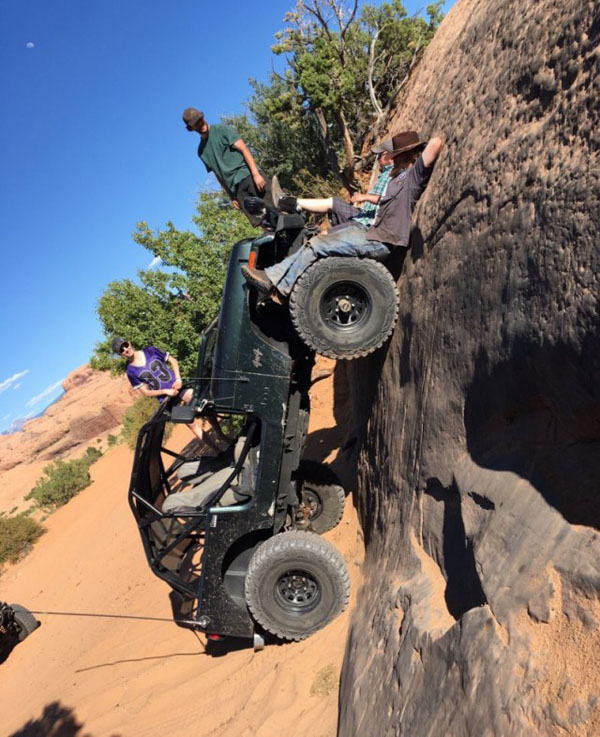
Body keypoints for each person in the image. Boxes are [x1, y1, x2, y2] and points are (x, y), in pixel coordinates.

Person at [242, 131, 444, 300]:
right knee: (316, 241)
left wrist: (412, 150)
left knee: (319, 245)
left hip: (382, 241)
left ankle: (276, 284)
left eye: (397, 155)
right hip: (371, 233)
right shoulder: (395, 179)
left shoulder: (412, 177)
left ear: (407, 155)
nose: (394, 158)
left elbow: (436, 144)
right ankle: (275, 282)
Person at [112, 337, 228, 454]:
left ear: (129, 343)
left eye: (125, 345)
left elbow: (173, 360)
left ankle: (220, 434)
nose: (126, 349)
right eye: (122, 350)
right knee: (191, 424)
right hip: (166, 399)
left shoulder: (150, 351)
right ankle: (218, 451)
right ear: (120, 354)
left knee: (202, 403)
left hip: (179, 388)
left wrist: (178, 379)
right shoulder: (131, 371)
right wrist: (165, 391)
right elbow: (146, 392)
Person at [182, 107, 274, 227]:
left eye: (200, 119)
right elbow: (218, 174)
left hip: (249, 177)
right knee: (263, 223)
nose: (200, 124)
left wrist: (256, 174)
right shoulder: (201, 151)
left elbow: (244, 149)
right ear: (191, 128)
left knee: (276, 208)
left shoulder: (222, 130)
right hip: (238, 190)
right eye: (196, 123)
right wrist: (232, 196)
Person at [274, 149, 394, 228]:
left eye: (382, 155)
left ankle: (288, 203)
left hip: (366, 222)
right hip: (363, 215)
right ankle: (292, 203)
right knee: (334, 203)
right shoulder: (384, 173)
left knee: (325, 233)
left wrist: (364, 197)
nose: (379, 158)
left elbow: (387, 199)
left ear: (392, 155)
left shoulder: (394, 173)